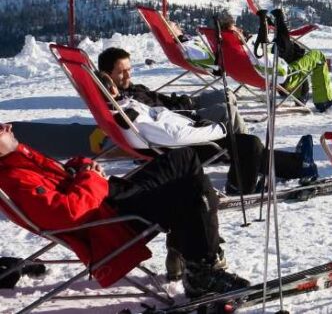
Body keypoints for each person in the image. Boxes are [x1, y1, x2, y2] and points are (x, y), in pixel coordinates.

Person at [0, 122, 249, 297]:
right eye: (0, 127)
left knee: (183, 161)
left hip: (107, 203)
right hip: (110, 224)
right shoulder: (15, 178)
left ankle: (192, 256)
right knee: (188, 186)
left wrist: (85, 168)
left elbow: (66, 174)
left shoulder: (18, 160)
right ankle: (200, 266)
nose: (8, 126)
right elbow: (67, 214)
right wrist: (89, 177)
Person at [96, 73, 317, 196]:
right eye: (110, 86)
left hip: (187, 132)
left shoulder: (125, 106)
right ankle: (243, 186)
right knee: (249, 144)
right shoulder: (130, 114)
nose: (116, 87)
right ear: (108, 92)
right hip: (183, 145)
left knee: (246, 145)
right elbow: (173, 136)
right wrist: (215, 129)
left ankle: (296, 164)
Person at [98, 47, 246, 134]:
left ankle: (234, 139)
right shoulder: (125, 103)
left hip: (183, 105)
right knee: (228, 110)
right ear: (107, 75)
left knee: (226, 94)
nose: (128, 75)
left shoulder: (131, 88)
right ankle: (246, 152)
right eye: (121, 72)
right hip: (182, 118)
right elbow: (161, 116)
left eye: (129, 69)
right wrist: (184, 105)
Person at [219, 11, 332, 113]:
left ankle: (301, 94)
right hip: (283, 78)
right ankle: (324, 99)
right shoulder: (248, 52)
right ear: (234, 34)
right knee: (318, 56)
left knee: (288, 48)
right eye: (236, 29)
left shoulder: (227, 50)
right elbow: (274, 67)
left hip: (261, 76)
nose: (240, 30)